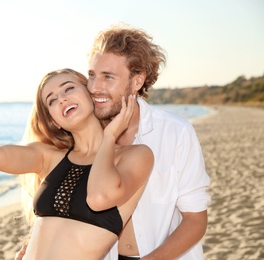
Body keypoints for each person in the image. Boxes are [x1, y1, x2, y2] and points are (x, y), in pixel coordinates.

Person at [0, 68, 154, 259]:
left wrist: (110, 136)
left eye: (69, 88)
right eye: (52, 100)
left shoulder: (134, 155)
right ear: (54, 120)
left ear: (90, 93)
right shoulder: (48, 157)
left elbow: (100, 197)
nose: (62, 98)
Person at [87, 24, 211, 259]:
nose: (94, 87)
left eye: (108, 77)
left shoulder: (175, 132)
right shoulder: (87, 135)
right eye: (92, 75)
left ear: (137, 81)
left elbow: (195, 220)